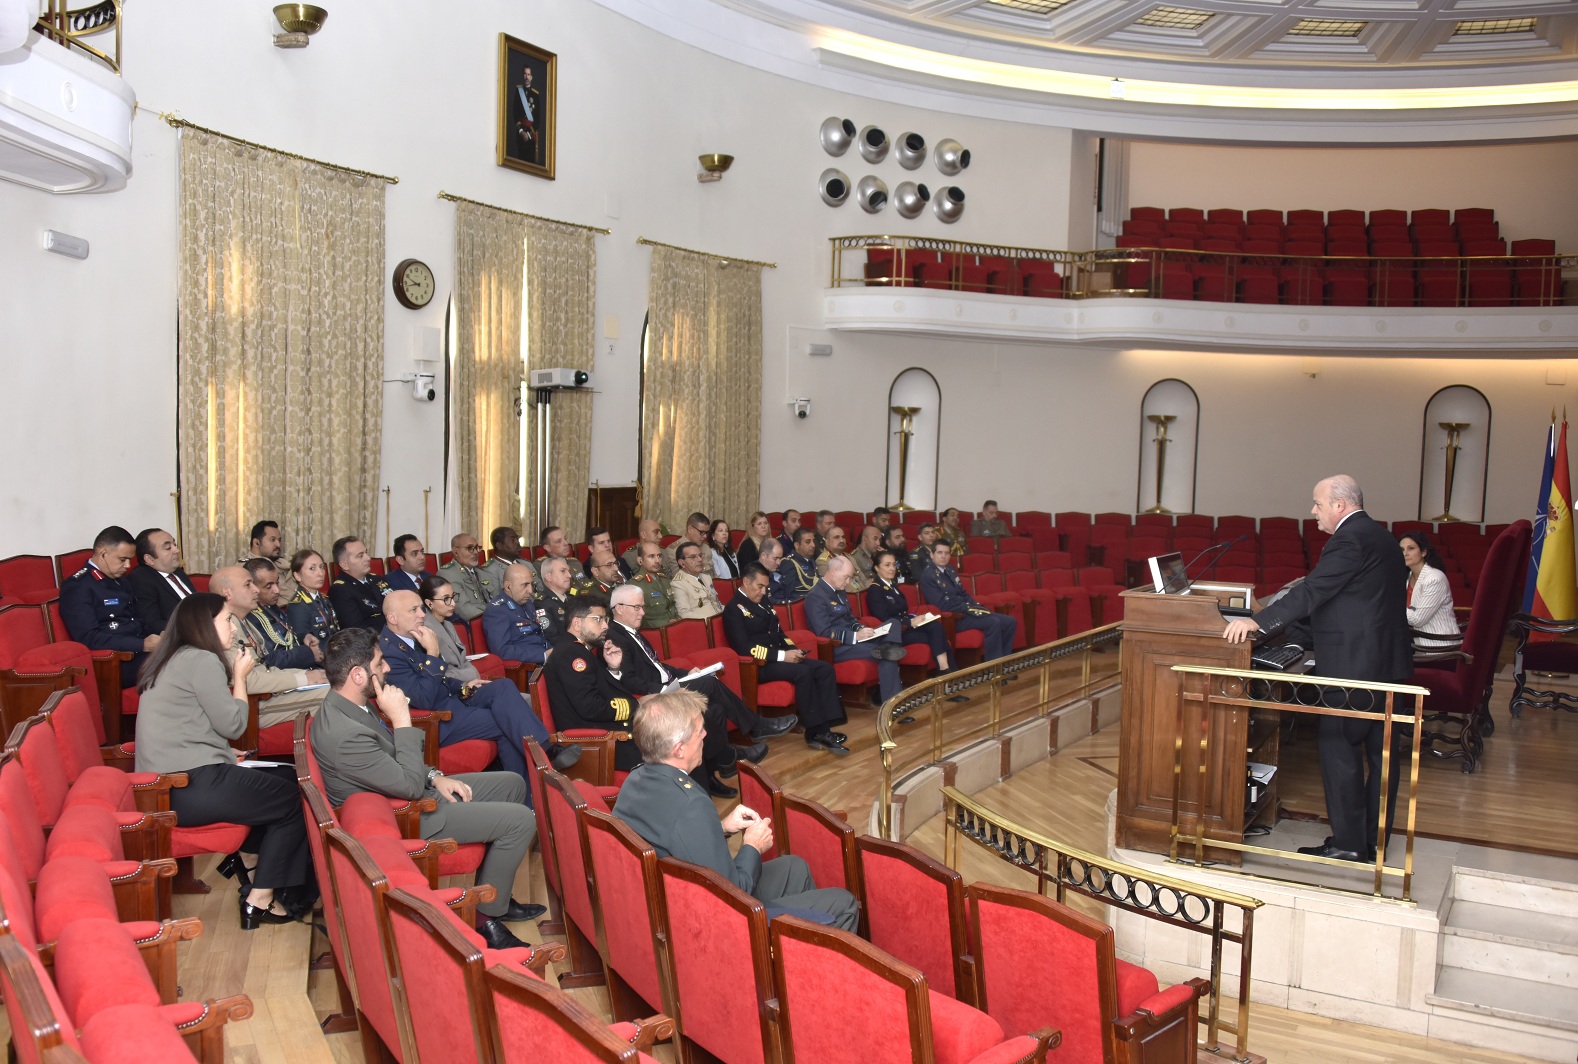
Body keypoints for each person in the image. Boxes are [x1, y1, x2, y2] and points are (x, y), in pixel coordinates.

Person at [312, 628, 543, 950]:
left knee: (512, 784)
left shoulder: (351, 706)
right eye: (380, 663)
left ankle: (496, 892)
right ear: (358, 674)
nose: (387, 669)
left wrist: (435, 776)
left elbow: (390, 763)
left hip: (404, 792)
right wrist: (402, 720)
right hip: (403, 815)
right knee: (520, 820)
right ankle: (485, 917)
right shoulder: (344, 733)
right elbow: (406, 784)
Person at [1222, 475, 1411, 864]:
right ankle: (1374, 842)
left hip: (1354, 665)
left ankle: (1349, 843)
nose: (1313, 511)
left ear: (1340, 505)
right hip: (1387, 663)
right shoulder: (1383, 538)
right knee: (1381, 756)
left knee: (1338, 744)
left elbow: (1313, 591)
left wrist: (1259, 622)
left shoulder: (1348, 539)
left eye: (1318, 503)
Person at [612, 690, 860, 931]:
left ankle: (794, 949)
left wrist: (720, 828)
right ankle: (784, 953)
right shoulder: (691, 802)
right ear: (679, 749)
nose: (705, 735)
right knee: (844, 902)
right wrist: (752, 845)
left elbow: (675, 839)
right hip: (714, 920)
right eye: (699, 732)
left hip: (676, 898)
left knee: (795, 867)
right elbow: (734, 893)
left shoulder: (635, 780)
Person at [134, 593, 310, 929]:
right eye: (228, 619)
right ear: (204, 624)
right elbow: (234, 725)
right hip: (188, 786)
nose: (234, 627)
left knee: (287, 782)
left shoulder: (173, 657)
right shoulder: (202, 659)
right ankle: (260, 898)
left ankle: (253, 864)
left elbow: (186, 724)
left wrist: (221, 750)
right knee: (294, 798)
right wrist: (241, 677)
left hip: (172, 783)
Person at [379, 590, 575, 777]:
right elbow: (424, 698)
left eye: (422, 608)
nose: (422, 614)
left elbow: (440, 678)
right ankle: (533, 780)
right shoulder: (388, 653)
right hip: (436, 721)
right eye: (413, 610)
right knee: (506, 720)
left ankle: (544, 754)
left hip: (452, 701)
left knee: (503, 686)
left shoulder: (413, 635)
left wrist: (462, 686)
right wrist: (433, 653)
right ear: (392, 618)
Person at [607, 581, 793, 749]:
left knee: (715, 711)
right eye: (637, 607)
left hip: (665, 687)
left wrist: (687, 673)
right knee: (709, 683)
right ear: (619, 608)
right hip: (655, 695)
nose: (643, 612)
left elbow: (658, 667)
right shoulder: (615, 638)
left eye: (642, 607)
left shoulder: (632, 632)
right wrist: (664, 689)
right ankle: (756, 726)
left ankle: (723, 764)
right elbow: (628, 680)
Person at [723, 565, 849, 756]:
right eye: (759, 587)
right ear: (746, 582)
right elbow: (745, 649)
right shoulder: (733, 609)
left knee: (824, 669)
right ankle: (815, 732)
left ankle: (826, 728)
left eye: (766, 587)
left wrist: (793, 649)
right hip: (760, 665)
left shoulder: (763, 601)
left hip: (781, 657)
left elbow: (780, 633)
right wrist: (783, 656)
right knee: (804, 672)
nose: (763, 592)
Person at [210, 566, 328, 727]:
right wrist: (303, 678)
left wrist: (308, 674)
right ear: (227, 593)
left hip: (266, 694)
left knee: (336, 686)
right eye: (248, 585)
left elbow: (265, 667)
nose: (255, 590)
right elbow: (247, 680)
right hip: (253, 704)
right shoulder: (223, 629)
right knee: (334, 696)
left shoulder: (243, 622)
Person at [543, 600, 640, 771]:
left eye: (606, 620)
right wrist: (635, 707)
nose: (604, 626)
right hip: (598, 742)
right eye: (598, 619)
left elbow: (602, 690)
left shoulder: (579, 649)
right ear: (577, 623)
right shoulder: (572, 654)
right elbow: (590, 706)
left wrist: (613, 668)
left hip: (606, 731)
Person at [60, 525, 160, 686]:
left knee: (188, 654)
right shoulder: (79, 586)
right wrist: (142, 644)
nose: (128, 566)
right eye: (122, 560)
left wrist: (160, 638)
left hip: (137, 653)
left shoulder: (121, 581)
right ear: (103, 553)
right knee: (177, 664)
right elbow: (88, 638)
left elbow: (135, 620)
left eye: (130, 560)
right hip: (114, 663)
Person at [806, 556, 906, 705]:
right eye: (846, 577)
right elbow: (824, 633)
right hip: (839, 646)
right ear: (833, 571)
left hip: (857, 640)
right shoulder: (815, 596)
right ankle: (894, 706)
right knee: (887, 653)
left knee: (893, 624)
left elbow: (850, 619)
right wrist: (855, 636)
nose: (848, 582)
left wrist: (861, 628)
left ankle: (886, 650)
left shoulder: (839, 590)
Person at [919, 542, 1018, 662]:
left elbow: (963, 593)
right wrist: (968, 608)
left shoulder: (949, 568)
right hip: (952, 618)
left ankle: (1004, 663)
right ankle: (994, 669)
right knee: (993, 622)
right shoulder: (928, 575)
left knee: (1009, 622)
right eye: (940, 553)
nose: (943, 556)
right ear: (931, 554)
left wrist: (975, 606)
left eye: (947, 553)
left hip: (965, 612)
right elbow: (942, 605)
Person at [868, 550, 955, 674]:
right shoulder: (875, 589)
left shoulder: (892, 585)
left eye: (894, 565)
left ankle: (945, 670)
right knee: (936, 634)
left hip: (906, 627)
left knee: (936, 626)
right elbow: (883, 618)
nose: (892, 568)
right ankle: (947, 671)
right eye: (887, 565)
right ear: (877, 568)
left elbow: (903, 610)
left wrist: (916, 618)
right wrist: (910, 622)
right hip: (896, 633)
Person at [240, 558, 320, 670]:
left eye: (277, 583)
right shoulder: (250, 616)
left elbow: (288, 637)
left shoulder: (272, 607)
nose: (277, 590)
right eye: (269, 586)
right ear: (253, 587)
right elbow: (270, 660)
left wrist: (304, 637)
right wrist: (308, 653)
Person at [126, 527, 196, 634]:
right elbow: (152, 623)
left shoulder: (177, 571)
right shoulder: (140, 579)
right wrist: (193, 629)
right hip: (182, 637)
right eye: (168, 548)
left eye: (175, 545)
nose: (177, 550)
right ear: (149, 559)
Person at [1400, 531, 1458, 651]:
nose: (1405, 553)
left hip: (1438, 645)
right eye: (1401, 549)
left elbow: (1418, 619)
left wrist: (1389, 606)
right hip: (1415, 642)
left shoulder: (1435, 578)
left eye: (1411, 548)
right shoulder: (1406, 577)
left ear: (1423, 552)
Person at [482, 563, 551, 663]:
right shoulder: (497, 610)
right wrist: (543, 656)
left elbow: (538, 634)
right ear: (508, 586)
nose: (530, 590)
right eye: (525, 585)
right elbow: (503, 651)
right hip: (528, 666)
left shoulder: (527, 603)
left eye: (531, 584)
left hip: (545, 655)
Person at [328, 537, 389, 632]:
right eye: (360, 555)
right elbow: (355, 630)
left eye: (366, 553)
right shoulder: (340, 590)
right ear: (344, 565)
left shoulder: (377, 579)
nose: (368, 558)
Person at [285, 549, 340, 644]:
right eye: (312, 568)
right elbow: (304, 644)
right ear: (297, 576)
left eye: (321, 567)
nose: (321, 573)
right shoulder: (297, 606)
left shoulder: (324, 599)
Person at [439, 532, 495, 622]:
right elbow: (463, 609)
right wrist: (493, 619)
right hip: (473, 624)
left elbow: (497, 600)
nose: (476, 552)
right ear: (455, 551)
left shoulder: (483, 573)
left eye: (476, 548)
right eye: (470, 548)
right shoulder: (448, 574)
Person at [241, 520, 297, 602]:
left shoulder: (281, 562)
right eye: (272, 540)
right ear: (256, 543)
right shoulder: (245, 567)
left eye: (279, 540)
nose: (278, 544)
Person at [628, 542, 681, 628]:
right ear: (640, 560)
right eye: (651, 556)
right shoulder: (634, 586)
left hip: (675, 627)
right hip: (654, 633)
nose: (657, 560)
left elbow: (673, 607)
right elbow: (637, 620)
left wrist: (677, 621)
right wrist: (664, 626)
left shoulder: (665, 579)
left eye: (659, 556)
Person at [671, 542, 726, 621]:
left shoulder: (706, 577)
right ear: (682, 563)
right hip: (704, 627)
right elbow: (684, 614)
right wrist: (710, 622)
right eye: (693, 557)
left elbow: (716, 603)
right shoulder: (678, 583)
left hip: (720, 621)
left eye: (700, 555)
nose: (700, 559)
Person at [533, 526, 585, 596]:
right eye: (558, 541)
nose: (566, 543)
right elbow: (545, 591)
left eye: (565, 539)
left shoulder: (575, 563)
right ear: (548, 548)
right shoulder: (541, 566)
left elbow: (586, 586)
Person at [816, 526, 869, 592]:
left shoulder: (849, 557)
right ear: (827, 541)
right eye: (836, 537)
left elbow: (863, 578)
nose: (841, 540)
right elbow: (836, 587)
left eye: (843, 537)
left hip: (861, 595)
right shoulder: (823, 561)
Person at [535, 557, 576, 642]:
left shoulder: (572, 598)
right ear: (548, 577)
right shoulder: (542, 603)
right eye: (563, 571)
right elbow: (552, 638)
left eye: (569, 571)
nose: (569, 575)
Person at [755, 538, 800, 605]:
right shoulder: (754, 574)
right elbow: (765, 601)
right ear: (763, 556)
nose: (778, 562)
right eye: (775, 558)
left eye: (780, 558)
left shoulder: (776, 570)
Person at [782, 528, 820, 601]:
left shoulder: (811, 561)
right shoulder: (789, 563)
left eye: (813, 541)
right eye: (808, 542)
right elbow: (790, 594)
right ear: (797, 545)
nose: (813, 545)